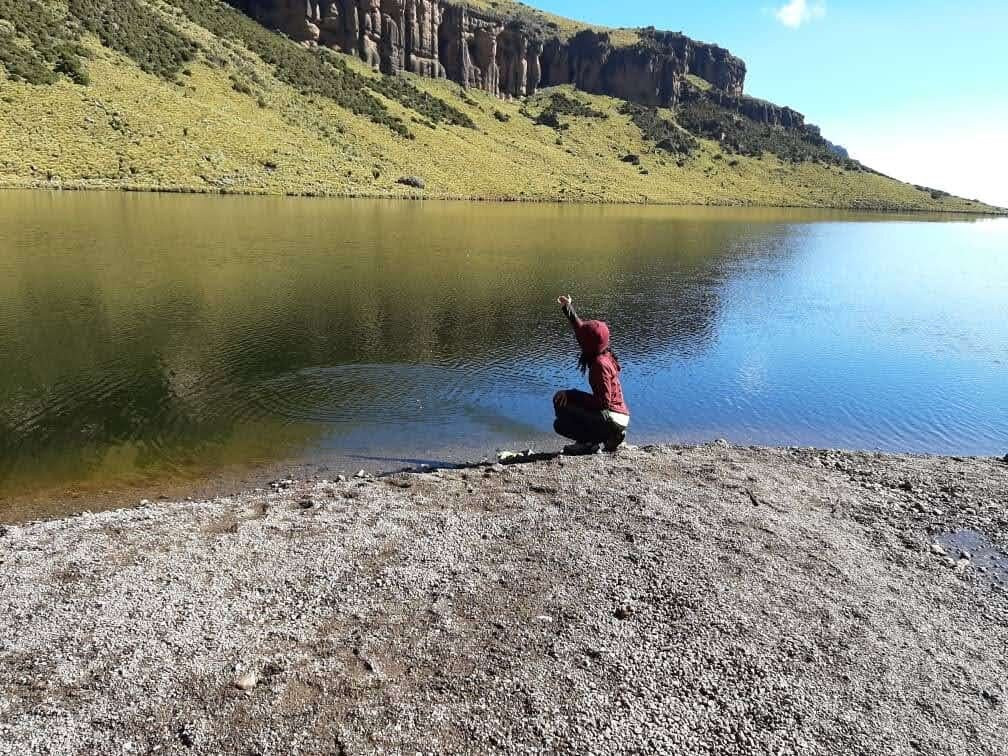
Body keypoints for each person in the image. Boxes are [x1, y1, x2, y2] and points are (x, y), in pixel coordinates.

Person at [553, 294, 630, 454]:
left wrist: (572, 394)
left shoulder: (599, 365)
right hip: (619, 416)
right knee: (569, 402)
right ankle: (606, 437)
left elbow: (603, 402)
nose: (579, 340)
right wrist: (568, 307)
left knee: (560, 416)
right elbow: (583, 330)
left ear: (588, 344)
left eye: (582, 340)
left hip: (613, 419)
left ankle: (590, 442)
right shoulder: (604, 353)